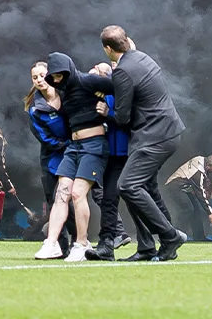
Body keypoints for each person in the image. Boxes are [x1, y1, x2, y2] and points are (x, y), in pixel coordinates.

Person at [101, 25, 189, 262]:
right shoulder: (143, 58)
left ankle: (170, 236)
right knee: (143, 187)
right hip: (168, 132)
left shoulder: (122, 71)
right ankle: (147, 247)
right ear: (127, 41)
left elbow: (122, 117)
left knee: (127, 186)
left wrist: (106, 111)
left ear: (107, 49)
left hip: (154, 136)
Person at [33, 52, 113, 261]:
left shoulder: (89, 81)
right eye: (54, 77)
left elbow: (121, 87)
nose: (57, 80)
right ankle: (51, 243)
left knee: (78, 193)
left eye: (60, 75)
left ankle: (81, 243)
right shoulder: (63, 92)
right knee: (62, 193)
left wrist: (109, 108)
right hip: (74, 146)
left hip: (94, 144)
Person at [24, 61, 76, 254]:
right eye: (35, 77)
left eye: (42, 75)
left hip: (76, 155)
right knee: (55, 202)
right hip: (52, 160)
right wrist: (68, 144)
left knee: (73, 200)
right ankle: (60, 247)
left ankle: (79, 243)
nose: (39, 80)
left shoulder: (67, 95)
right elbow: (45, 138)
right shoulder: (35, 110)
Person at [85, 90, 133, 261]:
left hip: (127, 152)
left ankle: (163, 238)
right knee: (106, 196)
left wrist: (108, 114)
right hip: (105, 153)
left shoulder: (122, 91)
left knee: (133, 194)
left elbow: (130, 120)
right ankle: (108, 241)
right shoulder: (94, 95)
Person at [165, 155, 212, 241]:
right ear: (208, 166)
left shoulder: (201, 159)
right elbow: (200, 194)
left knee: (196, 210)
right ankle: (172, 235)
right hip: (174, 187)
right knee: (188, 209)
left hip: (184, 188)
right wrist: (210, 213)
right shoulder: (197, 173)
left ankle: (199, 237)